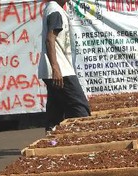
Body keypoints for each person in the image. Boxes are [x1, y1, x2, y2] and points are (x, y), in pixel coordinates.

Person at [38, 0, 90, 132]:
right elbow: (50, 40)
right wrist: (56, 68)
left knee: (56, 110)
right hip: (61, 70)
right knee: (80, 108)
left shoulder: (53, 9)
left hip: (55, 69)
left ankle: (52, 140)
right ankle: (81, 139)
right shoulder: (55, 11)